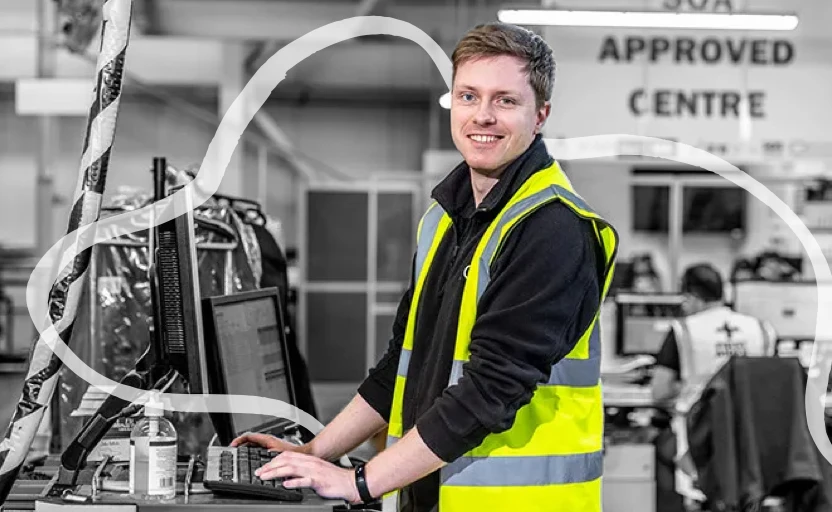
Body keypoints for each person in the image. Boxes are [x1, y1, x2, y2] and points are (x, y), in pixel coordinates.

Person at [231, 22, 618, 511]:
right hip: (432, 495)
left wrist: (359, 483)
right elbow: (402, 364)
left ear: (540, 115)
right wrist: (314, 451)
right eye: (469, 96)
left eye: (505, 101)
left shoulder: (554, 228)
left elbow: (490, 390)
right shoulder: (444, 218)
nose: (483, 116)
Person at [650, 263, 777, 512]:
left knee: (656, 444)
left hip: (699, 438)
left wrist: (685, 387)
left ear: (692, 296)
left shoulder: (683, 330)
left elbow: (659, 392)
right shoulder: (762, 330)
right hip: (753, 438)